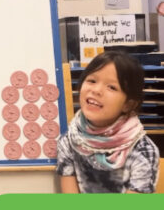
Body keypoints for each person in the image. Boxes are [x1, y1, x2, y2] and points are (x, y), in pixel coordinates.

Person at [56, 50, 158, 193]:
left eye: (112, 87)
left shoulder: (143, 150)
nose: (96, 90)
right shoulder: (70, 141)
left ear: (128, 104)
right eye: (92, 80)